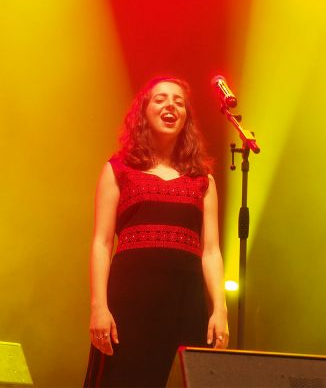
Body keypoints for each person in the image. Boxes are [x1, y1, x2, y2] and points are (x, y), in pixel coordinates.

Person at [84, 76, 229, 387]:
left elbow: (212, 251)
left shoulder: (202, 179)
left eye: (179, 102)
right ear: (144, 111)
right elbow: (101, 242)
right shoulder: (119, 168)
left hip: (186, 302)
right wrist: (99, 307)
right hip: (131, 301)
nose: (170, 106)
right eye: (161, 99)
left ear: (186, 117)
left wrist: (220, 310)